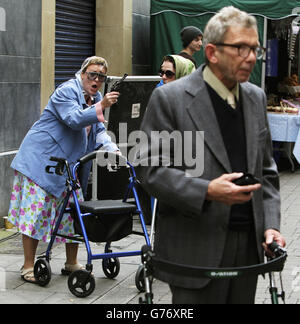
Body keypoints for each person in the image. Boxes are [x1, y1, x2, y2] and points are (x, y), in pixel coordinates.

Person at [136, 6, 286, 304]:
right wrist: (206, 190)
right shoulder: (170, 99)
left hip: (248, 252)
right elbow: (150, 168)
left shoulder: (255, 98)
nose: (251, 57)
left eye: (255, 49)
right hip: (195, 250)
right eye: (241, 48)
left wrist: (271, 225)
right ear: (213, 52)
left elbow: (267, 172)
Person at [7, 56, 120, 283]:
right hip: (40, 161)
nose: (96, 79)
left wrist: (112, 149)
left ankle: (71, 263)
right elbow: (73, 119)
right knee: (36, 213)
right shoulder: (67, 91)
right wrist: (102, 106)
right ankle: (28, 265)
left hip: (67, 166)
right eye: (92, 74)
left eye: (101, 76)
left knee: (74, 213)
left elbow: (97, 130)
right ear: (82, 74)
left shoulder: (95, 97)